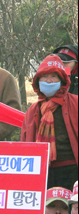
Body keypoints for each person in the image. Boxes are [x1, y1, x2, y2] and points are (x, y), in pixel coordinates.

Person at [21, 55, 78, 190]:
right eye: (44, 77)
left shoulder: (75, 103)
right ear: (38, 81)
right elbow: (24, 141)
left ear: (62, 80)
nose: (49, 81)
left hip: (72, 169)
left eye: (53, 76)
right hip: (43, 171)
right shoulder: (34, 109)